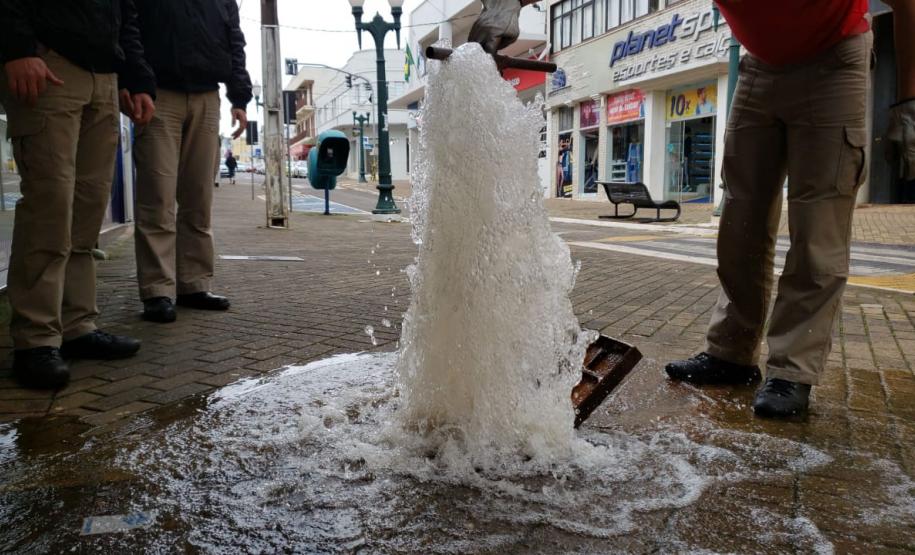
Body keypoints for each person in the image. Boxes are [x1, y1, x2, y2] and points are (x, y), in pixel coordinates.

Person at [472, 0, 915, 418]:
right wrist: (506, 4)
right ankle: (732, 353)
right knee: (741, 219)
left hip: (833, 58)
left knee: (818, 227)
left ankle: (792, 371)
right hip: (760, 64)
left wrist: (907, 99)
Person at [0, 0, 156, 390]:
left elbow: (126, 14)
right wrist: (15, 47)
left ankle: (77, 324)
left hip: (104, 75)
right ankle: (36, 339)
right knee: (49, 205)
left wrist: (137, 78)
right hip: (47, 60)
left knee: (88, 207)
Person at [130, 0, 253, 324]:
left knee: (199, 198)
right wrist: (135, 81)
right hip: (157, 93)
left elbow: (235, 42)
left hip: (207, 96)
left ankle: (194, 284)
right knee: (157, 198)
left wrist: (239, 97)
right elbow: (130, 28)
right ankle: (157, 291)